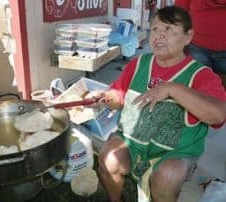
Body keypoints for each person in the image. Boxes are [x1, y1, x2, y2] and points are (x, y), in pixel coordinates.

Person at [88, 6, 226, 202]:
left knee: (167, 177)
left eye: (169, 30)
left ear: (188, 37)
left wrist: (173, 89)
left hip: (176, 152)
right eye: (155, 29)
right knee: (109, 157)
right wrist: (106, 97)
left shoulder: (201, 75)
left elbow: (218, 115)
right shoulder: (138, 64)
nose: (159, 36)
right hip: (132, 142)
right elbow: (119, 96)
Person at [174, 0, 226, 88]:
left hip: (200, 46)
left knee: (219, 92)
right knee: (199, 88)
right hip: (197, 47)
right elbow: (179, 14)